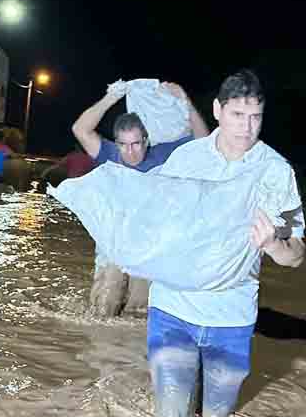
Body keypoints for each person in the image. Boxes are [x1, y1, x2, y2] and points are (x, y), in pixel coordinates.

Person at [145, 68, 306, 417]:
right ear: (217, 110)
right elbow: (150, 221)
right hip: (173, 310)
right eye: (237, 114)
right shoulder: (186, 161)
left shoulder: (276, 173)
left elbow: (296, 254)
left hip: (232, 319)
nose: (247, 128)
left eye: (255, 117)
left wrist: (273, 244)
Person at [71, 80, 210, 316]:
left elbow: (203, 142)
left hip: (148, 250)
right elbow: (80, 129)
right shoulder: (109, 155)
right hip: (113, 248)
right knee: (102, 310)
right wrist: (111, 97)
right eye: (124, 144)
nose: (130, 152)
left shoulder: (163, 155)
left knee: (138, 314)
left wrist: (185, 100)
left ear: (146, 140)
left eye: (136, 143)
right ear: (116, 143)